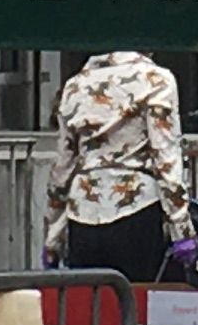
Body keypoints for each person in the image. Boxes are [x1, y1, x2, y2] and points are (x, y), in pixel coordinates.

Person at [44, 47, 180, 280]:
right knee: (137, 304)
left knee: (90, 306)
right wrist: (182, 229)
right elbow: (165, 157)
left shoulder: (75, 86)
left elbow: (63, 166)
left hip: (83, 210)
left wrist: (52, 237)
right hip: (137, 206)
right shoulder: (156, 79)